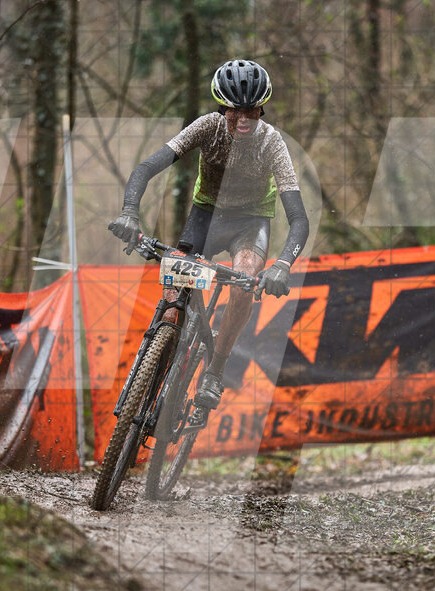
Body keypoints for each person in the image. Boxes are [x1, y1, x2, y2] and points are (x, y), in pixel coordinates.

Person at [108, 59, 309, 409]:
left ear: (262, 109)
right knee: (173, 305)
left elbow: (298, 218)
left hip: (251, 222)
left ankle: (215, 370)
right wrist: (129, 213)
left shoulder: (272, 143)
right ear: (222, 108)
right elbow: (146, 168)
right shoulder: (207, 127)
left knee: (246, 280)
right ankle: (162, 350)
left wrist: (282, 265)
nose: (243, 119)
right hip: (207, 215)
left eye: (251, 111)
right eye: (234, 111)